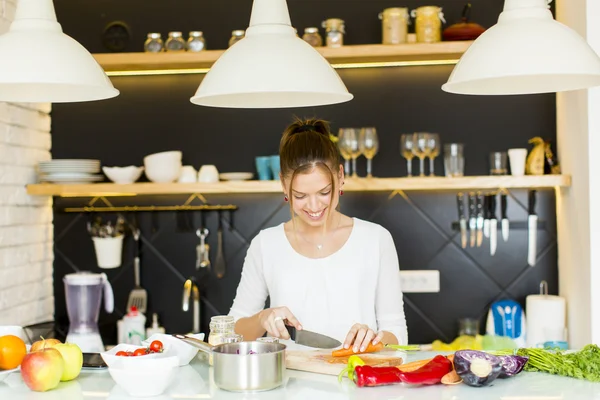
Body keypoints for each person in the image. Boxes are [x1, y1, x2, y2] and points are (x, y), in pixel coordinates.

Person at [228, 118, 408, 353]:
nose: (314, 206)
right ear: (284, 184)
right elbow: (231, 333)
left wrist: (375, 339)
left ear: (340, 176)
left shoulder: (376, 240)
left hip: (358, 384)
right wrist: (263, 318)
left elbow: (398, 334)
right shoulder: (266, 244)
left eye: (324, 192)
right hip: (287, 385)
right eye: (300, 195)